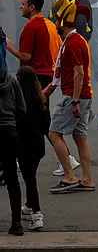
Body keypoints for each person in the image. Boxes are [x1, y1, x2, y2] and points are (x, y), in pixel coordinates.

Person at [4, 0, 69, 176]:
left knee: (30, 117)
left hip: (35, 78)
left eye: (23, 4)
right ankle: (64, 159)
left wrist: (8, 46)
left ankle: (66, 159)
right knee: (39, 118)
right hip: (47, 74)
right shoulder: (48, 24)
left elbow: (26, 56)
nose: (20, 7)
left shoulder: (31, 27)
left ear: (32, 7)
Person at [44, 0, 95, 194]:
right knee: (80, 136)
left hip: (75, 96)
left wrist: (73, 101)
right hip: (83, 95)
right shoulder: (76, 40)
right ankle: (87, 179)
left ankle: (69, 176)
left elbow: (79, 73)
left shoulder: (73, 43)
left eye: (57, 20)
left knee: (54, 133)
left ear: (63, 22)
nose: (55, 24)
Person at [16, 66, 50, 231]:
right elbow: (45, 126)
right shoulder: (40, 99)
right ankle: (29, 205)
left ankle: (37, 214)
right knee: (31, 175)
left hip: (23, 144)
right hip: (38, 144)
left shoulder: (19, 102)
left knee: (30, 179)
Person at [0, 64, 26, 235]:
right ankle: (16, 222)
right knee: (12, 179)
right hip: (9, 130)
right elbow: (21, 108)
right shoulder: (11, 80)